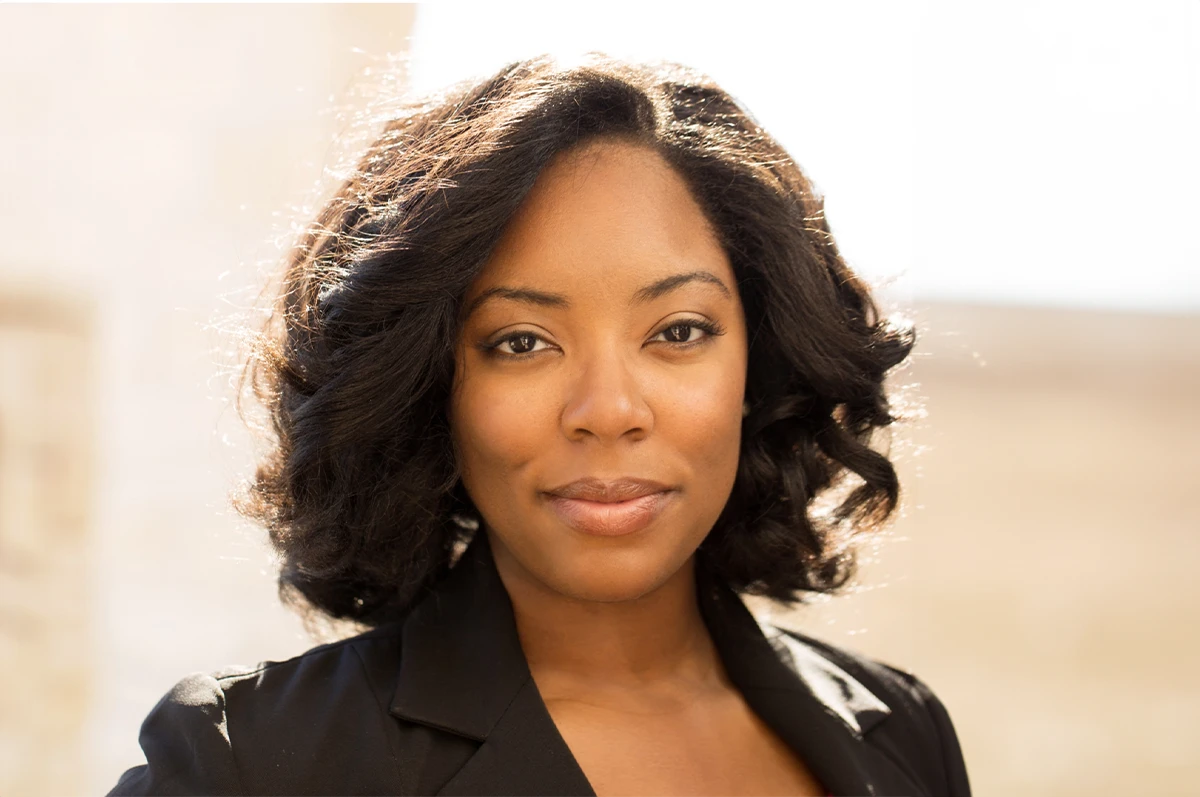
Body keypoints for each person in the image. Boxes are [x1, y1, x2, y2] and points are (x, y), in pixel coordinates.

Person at [108, 53, 971, 797]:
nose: (609, 410)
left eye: (678, 332)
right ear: (429, 386)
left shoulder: (901, 734)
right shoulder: (249, 762)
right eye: (522, 342)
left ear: (763, 363)